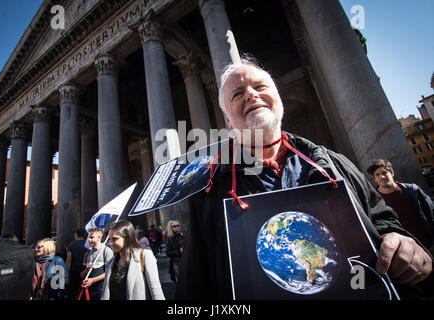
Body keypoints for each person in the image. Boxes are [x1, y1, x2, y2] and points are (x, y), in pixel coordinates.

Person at [175, 57, 433, 299]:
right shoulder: (208, 192)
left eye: (260, 87)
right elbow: (195, 284)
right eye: (237, 94)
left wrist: (401, 240)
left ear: (278, 100)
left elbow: (382, 219)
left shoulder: (337, 163)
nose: (251, 95)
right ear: (228, 122)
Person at [367, 159, 434, 251]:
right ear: (374, 179)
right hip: (404, 252)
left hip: (428, 244)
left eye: (384, 173)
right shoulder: (373, 202)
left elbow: (431, 213)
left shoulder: (412, 190)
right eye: (377, 175)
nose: (382, 177)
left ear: (392, 173)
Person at [101, 220, 165, 300]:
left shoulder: (145, 256)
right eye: (110, 239)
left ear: (127, 238)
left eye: (115, 239)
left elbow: (155, 290)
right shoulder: (111, 262)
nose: (111, 243)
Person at [80, 228, 113, 300]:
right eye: (89, 237)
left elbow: (110, 272)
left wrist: (93, 280)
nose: (89, 240)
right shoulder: (87, 253)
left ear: (99, 237)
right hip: (88, 292)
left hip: (101, 290)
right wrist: (86, 270)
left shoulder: (106, 251)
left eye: (92, 237)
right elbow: (82, 275)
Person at [66, 228, 88, 300]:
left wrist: (67, 275)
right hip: (86, 272)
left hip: (74, 273)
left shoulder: (71, 245)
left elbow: (69, 261)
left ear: (76, 235)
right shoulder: (87, 244)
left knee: (73, 294)